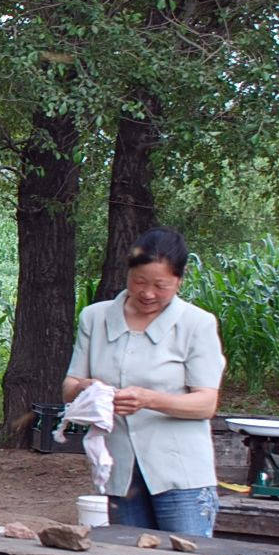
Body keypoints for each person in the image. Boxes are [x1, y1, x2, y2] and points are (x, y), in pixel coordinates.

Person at [62, 226, 224, 537]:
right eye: (139, 281)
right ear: (127, 273)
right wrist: (87, 389)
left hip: (181, 473)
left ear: (179, 280)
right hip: (120, 471)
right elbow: (69, 387)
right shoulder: (95, 318)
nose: (148, 293)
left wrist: (149, 400)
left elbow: (205, 403)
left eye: (161, 286)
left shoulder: (197, 324)